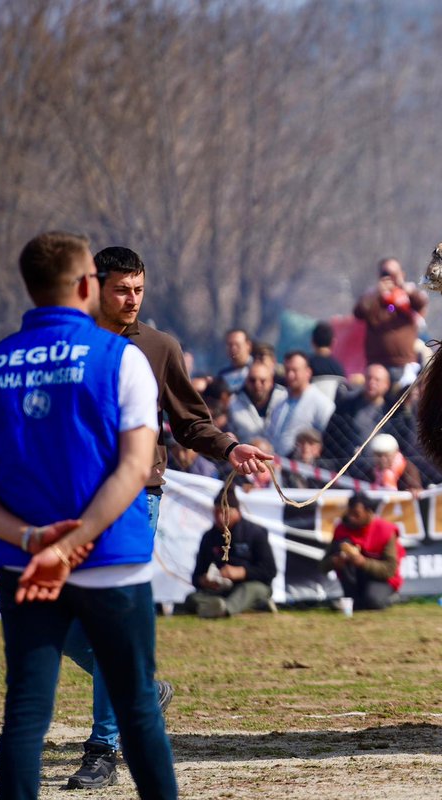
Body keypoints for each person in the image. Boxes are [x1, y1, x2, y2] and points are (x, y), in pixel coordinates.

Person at [59, 245, 271, 790]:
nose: (132, 301)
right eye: (121, 290)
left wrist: (230, 449)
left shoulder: (158, 347)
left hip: (136, 496)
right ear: (94, 286)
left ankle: (104, 747)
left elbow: (190, 422)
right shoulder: (67, 343)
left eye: (139, 291)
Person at [0, 231, 177, 798]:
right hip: (112, 555)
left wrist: (32, 538)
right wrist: (76, 541)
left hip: (23, 559)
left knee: (24, 711)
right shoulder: (121, 359)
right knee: (138, 704)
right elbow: (134, 468)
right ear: (87, 285)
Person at [186, 485, 277, 618]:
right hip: (222, 589)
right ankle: (252, 606)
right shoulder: (209, 537)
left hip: (251, 585)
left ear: (237, 511)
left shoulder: (255, 533)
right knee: (191, 598)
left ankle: (224, 609)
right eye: (216, 511)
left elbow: (269, 571)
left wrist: (241, 572)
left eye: (224, 512)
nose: (219, 516)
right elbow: (196, 576)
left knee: (247, 590)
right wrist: (205, 580)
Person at [319, 493, 404, 611]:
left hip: (381, 578)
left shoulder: (386, 530)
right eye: (350, 513)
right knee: (358, 605)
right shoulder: (342, 529)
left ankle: (390, 598)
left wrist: (363, 562)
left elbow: (390, 569)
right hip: (354, 578)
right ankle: (354, 599)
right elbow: (323, 565)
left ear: (369, 512)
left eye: (356, 514)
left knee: (373, 601)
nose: (351, 518)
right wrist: (334, 561)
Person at [354, 257, 428, 386]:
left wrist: (402, 286)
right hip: (378, 366)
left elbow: (421, 303)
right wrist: (378, 292)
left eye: (394, 274)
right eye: (386, 273)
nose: (390, 278)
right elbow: (359, 312)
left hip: (404, 364)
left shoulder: (408, 293)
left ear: (402, 274)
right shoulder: (373, 296)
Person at [266, 350, 336, 457]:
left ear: (308, 372)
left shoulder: (321, 403)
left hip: (302, 468)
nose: (290, 375)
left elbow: (327, 438)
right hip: (276, 464)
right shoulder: (280, 401)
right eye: (287, 370)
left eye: (295, 370)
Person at [228, 360, 288, 443]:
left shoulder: (285, 399)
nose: (257, 385)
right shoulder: (232, 403)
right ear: (246, 381)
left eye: (262, 381)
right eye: (252, 380)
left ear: (271, 381)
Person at [217, 328, 254, 392]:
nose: (233, 348)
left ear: (248, 345)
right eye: (230, 345)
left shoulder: (259, 370)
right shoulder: (223, 375)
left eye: (237, 345)